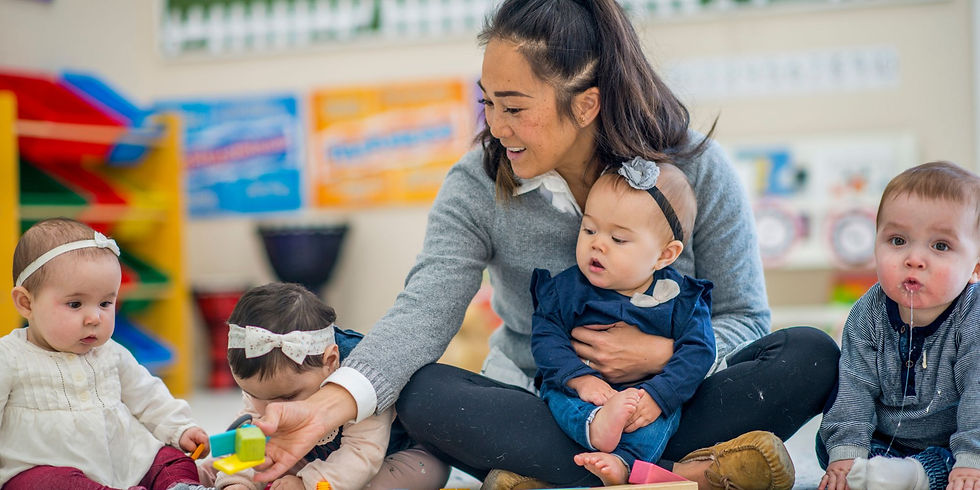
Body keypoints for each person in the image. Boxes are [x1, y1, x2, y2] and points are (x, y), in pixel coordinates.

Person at [250, 0, 840, 488]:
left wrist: (660, 362)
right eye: (487, 103)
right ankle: (683, 474)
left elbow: (745, 315)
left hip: (677, 397)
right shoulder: (478, 183)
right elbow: (422, 314)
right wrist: (328, 402)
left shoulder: (694, 169)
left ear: (586, 103)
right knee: (424, 392)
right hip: (547, 403)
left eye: (513, 107)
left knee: (811, 354)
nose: (495, 126)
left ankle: (577, 475)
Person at [531, 160, 714, 485]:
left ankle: (623, 464)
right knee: (556, 399)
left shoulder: (681, 299)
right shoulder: (566, 291)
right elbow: (547, 340)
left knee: (658, 422)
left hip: (646, 394)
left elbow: (699, 352)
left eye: (618, 239)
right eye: (589, 230)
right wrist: (581, 381)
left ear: (664, 255)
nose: (597, 244)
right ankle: (595, 427)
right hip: (580, 391)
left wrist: (659, 396)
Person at [0, 217, 211, 490]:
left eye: (105, 302)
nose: (95, 317)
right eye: (75, 304)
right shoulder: (10, 358)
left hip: (123, 462)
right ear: (26, 303)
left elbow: (148, 396)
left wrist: (180, 429)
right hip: (44, 465)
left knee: (169, 458)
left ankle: (180, 486)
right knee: (44, 484)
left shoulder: (110, 353)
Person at [817, 161, 980, 490]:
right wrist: (847, 454)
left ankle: (915, 475)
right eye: (897, 240)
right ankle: (882, 472)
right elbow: (854, 388)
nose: (914, 259)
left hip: (957, 441)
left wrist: (971, 460)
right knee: (830, 447)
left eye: (940, 246)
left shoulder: (972, 316)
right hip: (885, 439)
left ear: (975, 267)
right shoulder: (868, 312)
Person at [198, 282, 449, 490]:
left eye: (287, 398)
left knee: (407, 474)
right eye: (253, 395)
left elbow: (363, 453)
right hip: (314, 455)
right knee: (231, 466)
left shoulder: (362, 374)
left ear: (330, 362)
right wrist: (238, 481)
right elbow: (249, 437)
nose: (270, 409)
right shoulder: (268, 392)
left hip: (390, 454)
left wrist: (305, 483)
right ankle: (186, 474)